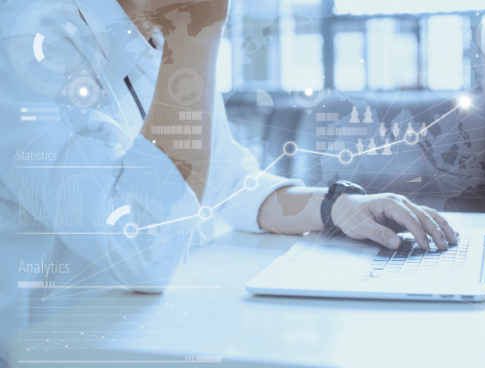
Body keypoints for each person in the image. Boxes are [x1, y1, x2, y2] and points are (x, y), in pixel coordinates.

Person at [0, 1, 458, 365]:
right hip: (67, 348)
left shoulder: (155, 35)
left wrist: (333, 206)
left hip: (155, 330)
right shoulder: (25, 41)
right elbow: (144, 252)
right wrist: (197, 34)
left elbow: (228, 179)